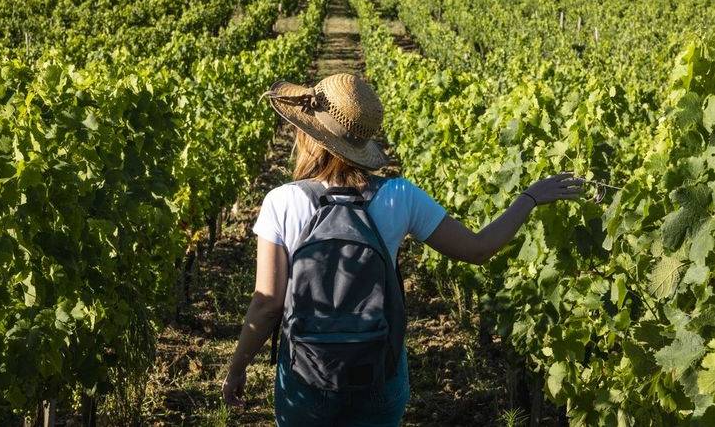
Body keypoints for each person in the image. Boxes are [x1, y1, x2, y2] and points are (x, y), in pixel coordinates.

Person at [221, 73, 583, 426]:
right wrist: (529, 198)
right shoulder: (400, 196)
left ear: (310, 135)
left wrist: (238, 367)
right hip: (378, 369)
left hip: (306, 374)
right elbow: (478, 249)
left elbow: (268, 303)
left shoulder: (281, 201)